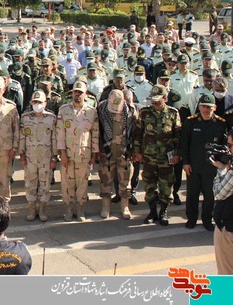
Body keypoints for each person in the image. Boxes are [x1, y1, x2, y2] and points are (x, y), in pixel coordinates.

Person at [132, 84, 181, 226]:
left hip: (166, 157)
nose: (154, 102)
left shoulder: (173, 113)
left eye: (157, 100)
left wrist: (177, 154)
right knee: (150, 185)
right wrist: (137, 152)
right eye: (152, 100)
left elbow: (178, 136)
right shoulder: (145, 113)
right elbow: (138, 133)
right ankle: (152, 211)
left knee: (166, 185)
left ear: (165, 98)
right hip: (149, 157)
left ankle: (163, 211)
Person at [180, 94, 228, 231]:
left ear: (215, 108)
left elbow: (224, 146)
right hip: (193, 165)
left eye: (209, 107)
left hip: (211, 166)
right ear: (199, 107)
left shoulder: (220, 123)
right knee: (192, 194)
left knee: (209, 195)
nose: (206, 110)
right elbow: (184, 144)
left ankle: (207, 219)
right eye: (204, 107)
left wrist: (221, 165)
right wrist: (186, 163)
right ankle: (192, 218)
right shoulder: (190, 122)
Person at [57, 81, 99, 221]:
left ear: (85, 94)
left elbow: (95, 134)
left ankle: (80, 209)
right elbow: (60, 133)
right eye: (75, 92)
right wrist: (62, 153)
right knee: (67, 183)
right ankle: (69, 209)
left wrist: (94, 154)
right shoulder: (63, 110)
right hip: (68, 155)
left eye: (80, 92)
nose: (77, 94)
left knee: (82, 183)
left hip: (84, 154)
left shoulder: (91, 112)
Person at [19, 90, 57, 222]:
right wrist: (22, 155)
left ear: (45, 103)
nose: (37, 104)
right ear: (31, 103)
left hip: (46, 158)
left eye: (40, 102)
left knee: (45, 185)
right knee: (30, 184)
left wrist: (54, 157)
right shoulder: (25, 118)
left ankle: (42, 210)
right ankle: (31, 209)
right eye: (35, 102)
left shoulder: (51, 118)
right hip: (30, 158)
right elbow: (22, 137)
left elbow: (54, 139)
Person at [97, 89, 135, 220]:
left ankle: (125, 207)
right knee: (105, 180)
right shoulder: (101, 109)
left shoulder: (131, 111)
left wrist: (134, 150)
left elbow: (135, 131)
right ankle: (105, 207)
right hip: (106, 151)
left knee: (125, 180)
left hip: (124, 151)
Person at [213, 132, 233, 275]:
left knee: (226, 275)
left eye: (230, 145)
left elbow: (218, 193)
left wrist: (221, 169)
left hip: (228, 230)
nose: (228, 149)